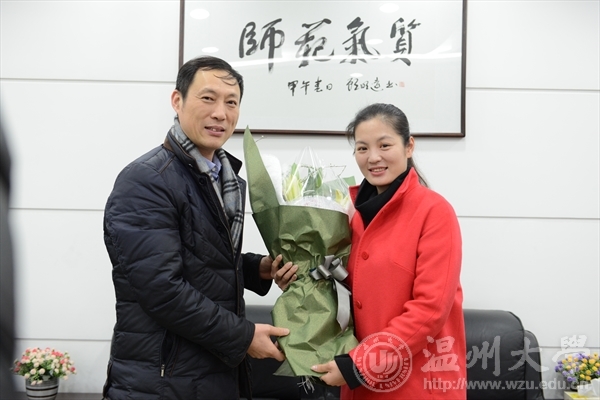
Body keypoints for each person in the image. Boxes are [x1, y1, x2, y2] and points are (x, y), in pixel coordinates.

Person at [102, 56, 298, 400]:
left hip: (211, 372)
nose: (220, 113)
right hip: (162, 381)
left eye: (231, 102)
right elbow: (162, 289)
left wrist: (259, 269)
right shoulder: (147, 180)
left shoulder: (223, 178)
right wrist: (244, 337)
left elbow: (202, 261)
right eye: (208, 98)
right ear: (177, 101)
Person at [311, 103, 466, 399]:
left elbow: (430, 309)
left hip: (417, 384)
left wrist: (359, 364)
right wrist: (301, 279)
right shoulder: (350, 215)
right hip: (359, 384)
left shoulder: (435, 212)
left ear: (409, 146)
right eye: (362, 148)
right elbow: (340, 291)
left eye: (384, 145)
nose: (373, 157)